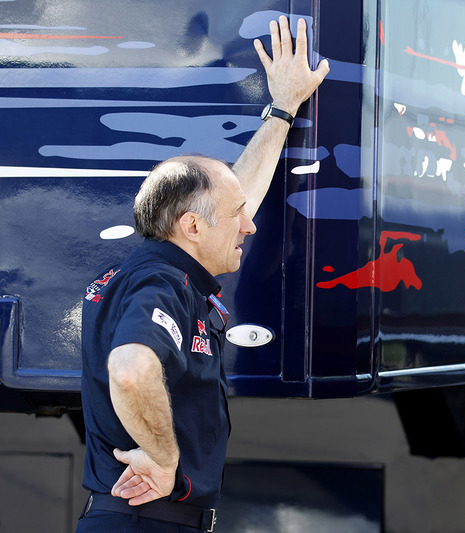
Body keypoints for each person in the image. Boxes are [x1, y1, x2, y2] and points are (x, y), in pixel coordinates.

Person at [76, 16, 329, 532]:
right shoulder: (161, 285)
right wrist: (163, 458)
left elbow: (237, 197)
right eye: (238, 216)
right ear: (192, 226)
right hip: (146, 521)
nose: (251, 225)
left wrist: (282, 108)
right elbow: (130, 369)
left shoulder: (163, 268)